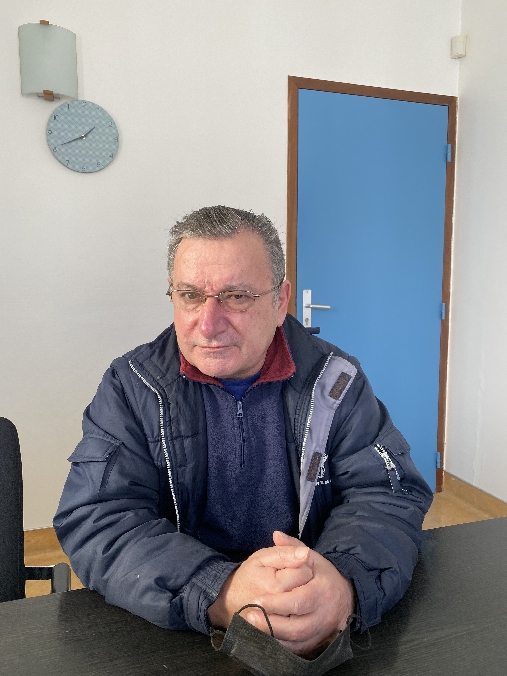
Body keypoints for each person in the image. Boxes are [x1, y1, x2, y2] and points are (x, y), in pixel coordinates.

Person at [54, 205, 433, 657]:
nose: (208, 324)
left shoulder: (335, 381)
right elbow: (99, 517)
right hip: (179, 629)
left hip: (310, 622)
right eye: (190, 295)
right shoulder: (131, 385)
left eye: (236, 296)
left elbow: (386, 494)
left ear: (280, 301)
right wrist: (222, 590)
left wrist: (343, 584)